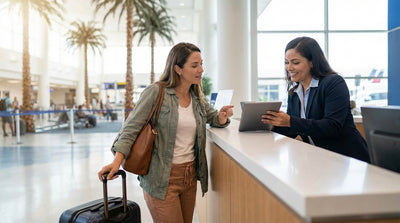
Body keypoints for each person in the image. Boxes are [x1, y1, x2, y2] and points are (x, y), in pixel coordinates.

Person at [98, 42, 234, 223]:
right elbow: (130, 128)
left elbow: (212, 116)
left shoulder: (196, 96)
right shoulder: (156, 92)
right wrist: (117, 162)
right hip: (161, 178)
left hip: (190, 176)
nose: (201, 69)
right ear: (177, 68)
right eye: (194, 65)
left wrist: (223, 116)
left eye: (201, 64)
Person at [261, 37, 370, 163]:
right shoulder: (294, 93)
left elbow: (332, 127)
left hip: (348, 160)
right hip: (322, 160)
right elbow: (293, 128)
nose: (289, 68)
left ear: (312, 62)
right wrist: (271, 124)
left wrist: (290, 121)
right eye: (286, 62)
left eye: (295, 62)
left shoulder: (333, 82)